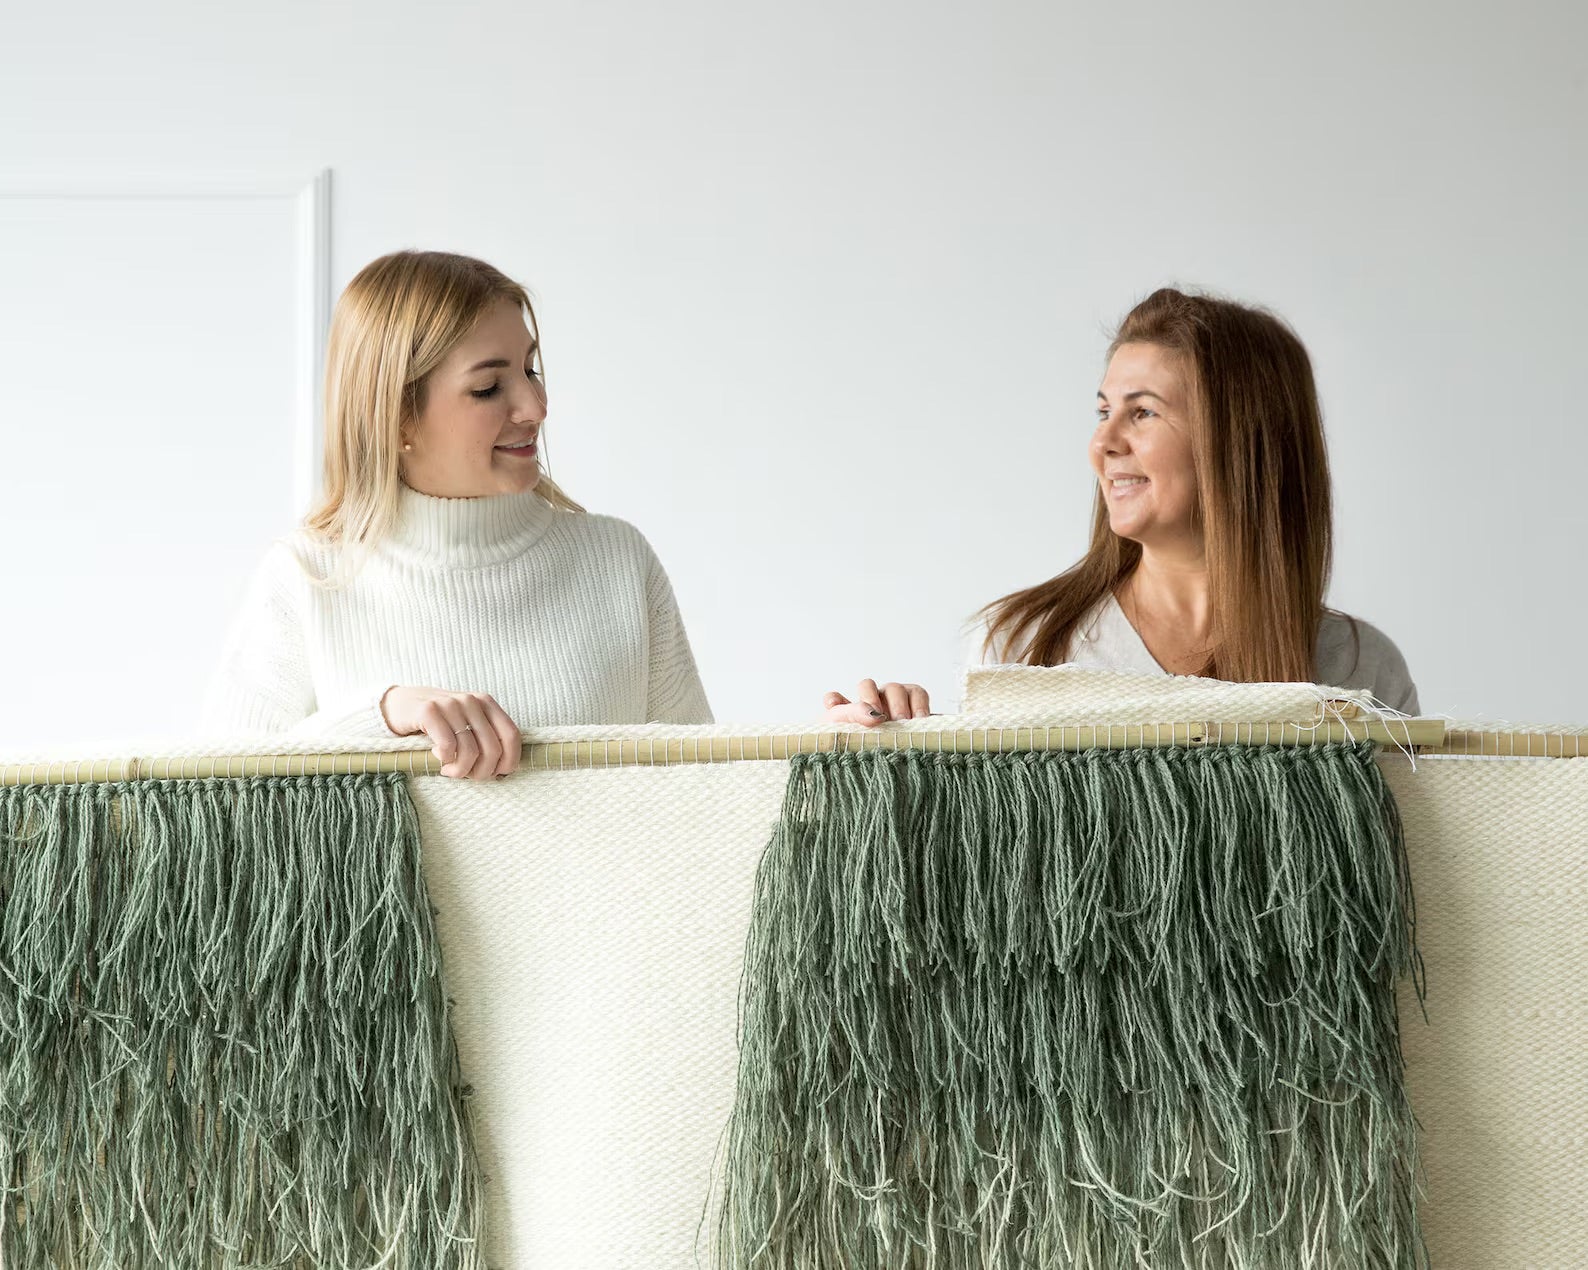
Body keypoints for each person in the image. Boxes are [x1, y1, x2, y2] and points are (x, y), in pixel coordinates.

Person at [201, 250, 712, 778]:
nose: (536, 408)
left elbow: (706, 785)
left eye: (530, 370)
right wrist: (382, 718)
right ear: (397, 416)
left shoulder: (619, 561)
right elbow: (217, 796)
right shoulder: (307, 576)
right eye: (488, 388)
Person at [824, 286, 1420, 723]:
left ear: (1243, 442)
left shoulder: (1360, 672)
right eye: (1104, 411)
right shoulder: (1023, 645)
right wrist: (891, 751)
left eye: (1143, 412)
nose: (1102, 444)